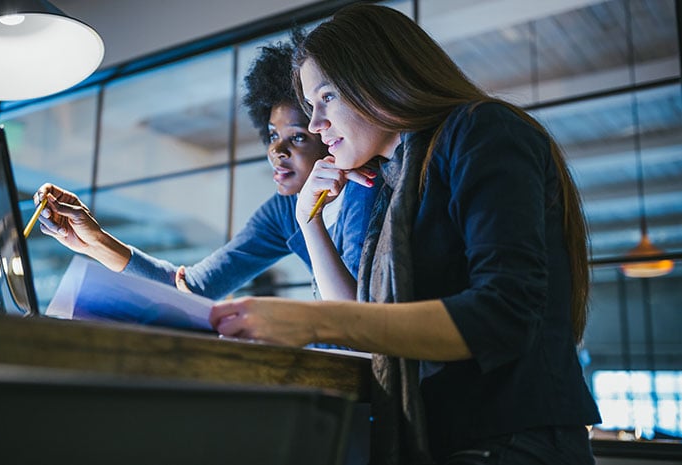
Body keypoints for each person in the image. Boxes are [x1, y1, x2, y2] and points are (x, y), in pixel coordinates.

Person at [209, 4, 601, 465]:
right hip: (449, 439)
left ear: (377, 76)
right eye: (311, 107)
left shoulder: (482, 129)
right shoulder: (393, 180)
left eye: (327, 97)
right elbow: (362, 326)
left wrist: (312, 322)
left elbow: (504, 313)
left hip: (512, 440)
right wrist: (308, 220)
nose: (316, 124)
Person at [34, 39, 379, 302]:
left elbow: (357, 317)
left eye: (298, 137)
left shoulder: (366, 188)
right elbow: (194, 288)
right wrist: (92, 240)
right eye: (272, 136)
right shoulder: (285, 210)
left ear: (326, 132)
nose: (276, 151)